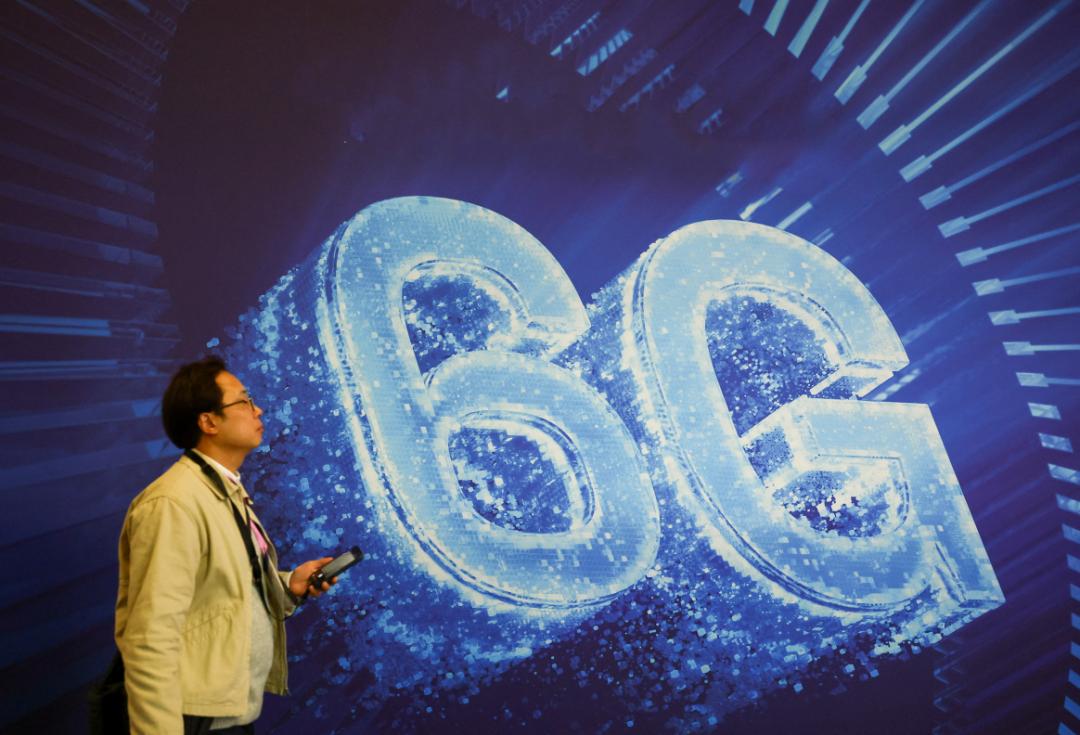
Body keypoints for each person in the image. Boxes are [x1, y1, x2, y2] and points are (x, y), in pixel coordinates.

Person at [115, 356, 336, 734]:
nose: (258, 410)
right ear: (209, 422)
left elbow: (226, 592)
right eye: (244, 401)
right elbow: (150, 638)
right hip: (192, 719)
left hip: (230, 715)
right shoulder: (173, 504)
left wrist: (288, 586)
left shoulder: (224, 491)